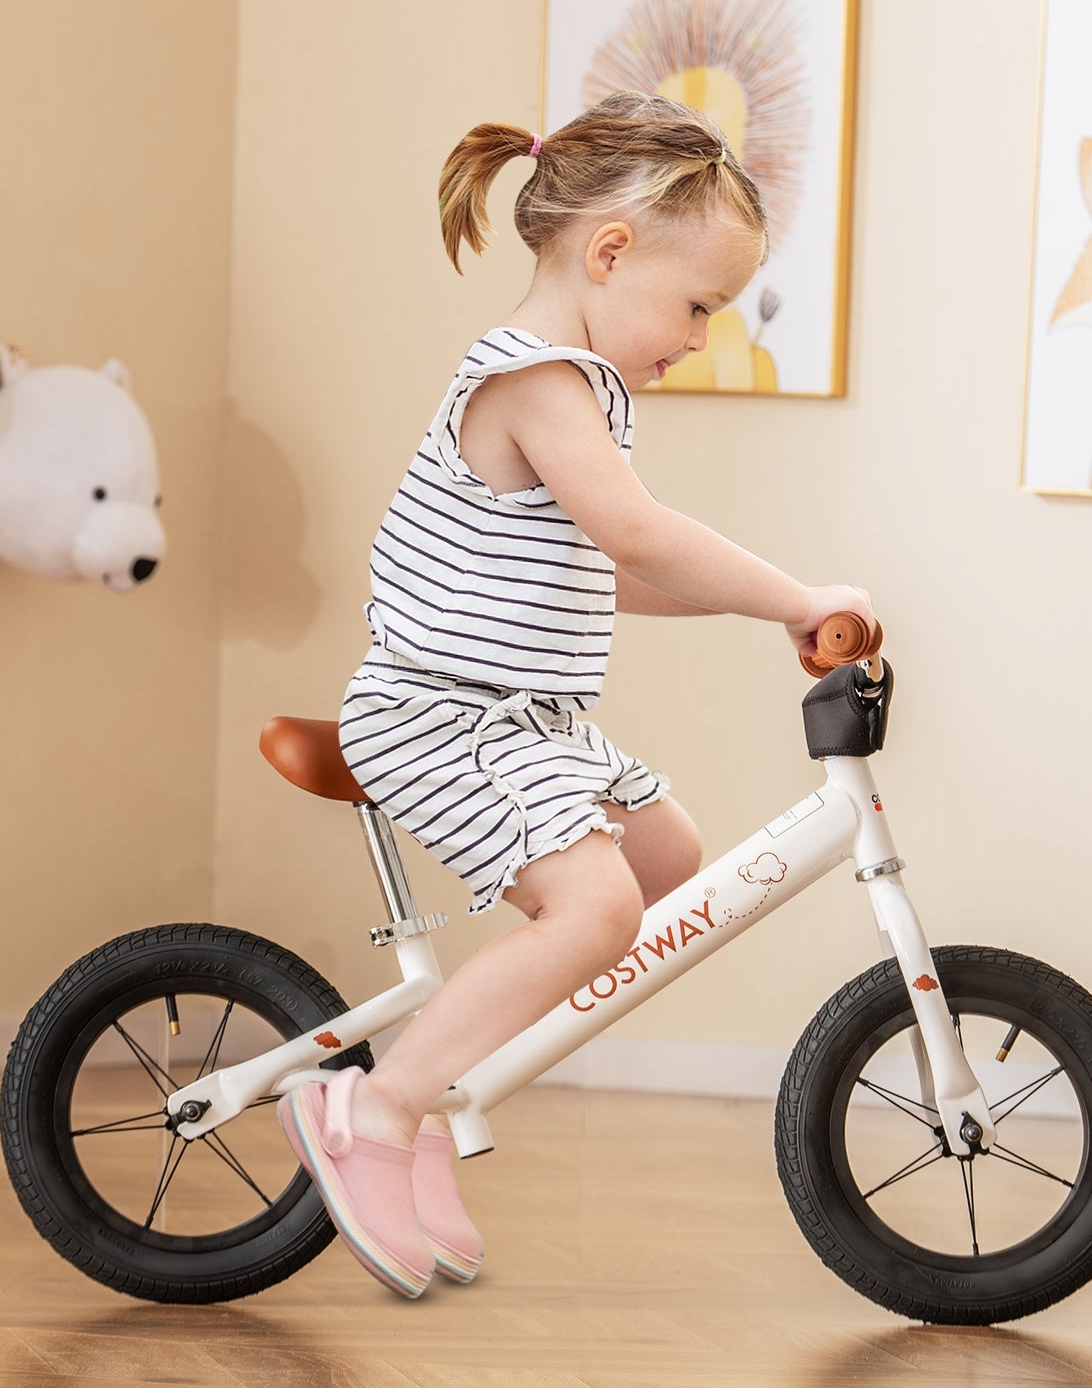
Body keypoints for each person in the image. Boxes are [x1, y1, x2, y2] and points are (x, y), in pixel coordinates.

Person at [276, 90, 875, 1298]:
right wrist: (793, 594)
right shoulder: (535, 380)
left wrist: (769, 611)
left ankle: (443, 1080)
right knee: (598, 912)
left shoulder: (582, 394)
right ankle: (381, 1106)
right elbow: (638, 534)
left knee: (666, 857)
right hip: (441, 708)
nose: (700, 334)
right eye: (698, 303)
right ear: (609, 253)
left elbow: (604, 568)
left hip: (523, 722)